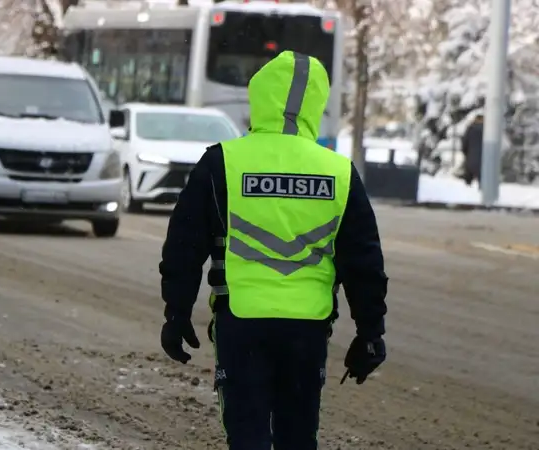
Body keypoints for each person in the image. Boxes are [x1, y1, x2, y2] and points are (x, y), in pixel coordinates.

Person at [158, 51, 389, 450]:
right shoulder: (338, 172)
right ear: (317, 103)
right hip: (308, 328)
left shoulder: (222, 163)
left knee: (246, 435)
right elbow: (363, 261)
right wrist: (370, 332)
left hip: (241, 323)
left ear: (259, 97)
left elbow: (184, 244)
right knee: (297, 436)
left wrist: (177, 312)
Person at [461, 113, 484, 187]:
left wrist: (466, 153)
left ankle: (467, 190)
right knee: (483, 180)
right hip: (483, 159)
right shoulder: (487, 130)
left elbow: (464, 144)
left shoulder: (470, 129)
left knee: (468, 182)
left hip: (471, 158)